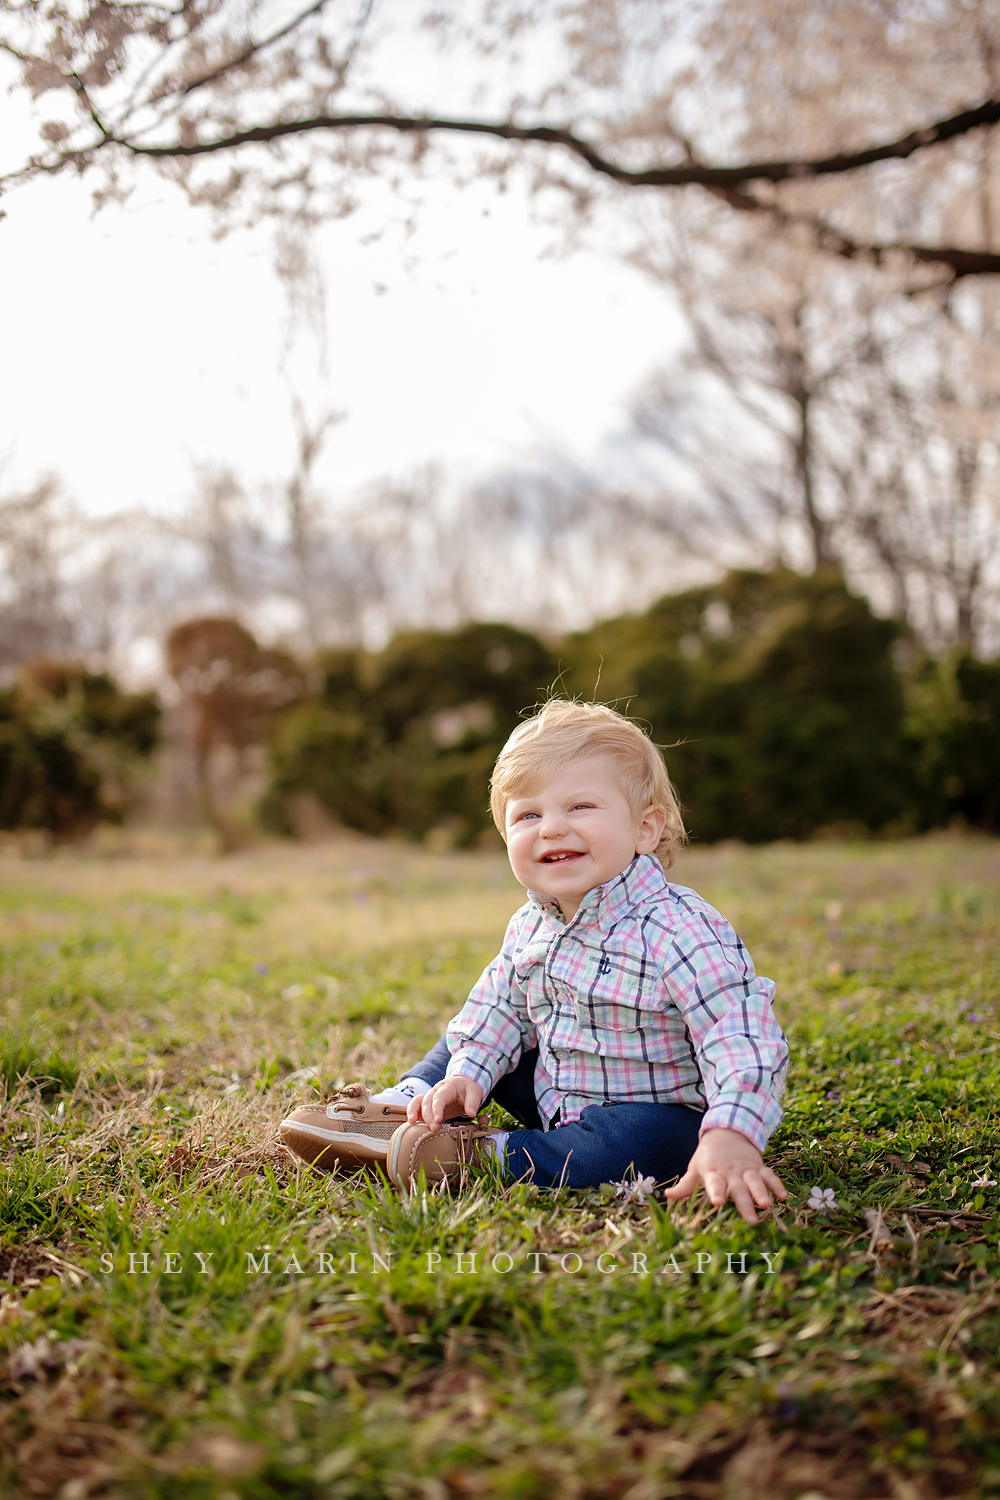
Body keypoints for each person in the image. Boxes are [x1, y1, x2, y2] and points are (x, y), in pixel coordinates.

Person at [280, 700, 789, 1223]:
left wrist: (732, 1133)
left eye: (580, 807)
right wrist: (470, 1074)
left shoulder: (678, 927)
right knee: (475, 1033)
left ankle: (483, 1155)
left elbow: (740, 1036)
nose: (550, 828)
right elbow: (498, 1010)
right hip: (556, 1089)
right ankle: (406, 1105)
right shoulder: (530, 923)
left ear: (645, 829)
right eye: (528, 814)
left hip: (652, 1112)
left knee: (649, 1142)